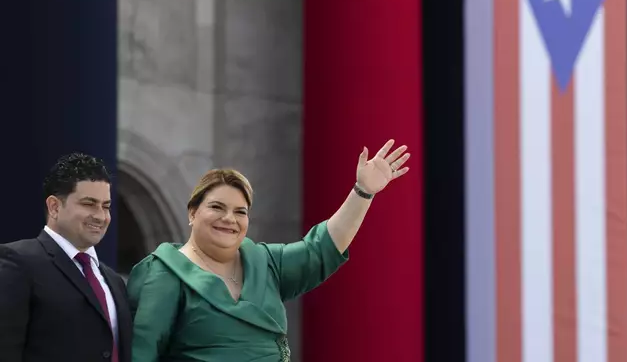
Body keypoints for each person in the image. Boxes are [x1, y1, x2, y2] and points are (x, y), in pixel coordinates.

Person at [127, 139, 411, 362]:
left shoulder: (264, 261)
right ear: (192, 212)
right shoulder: (163, 272)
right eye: (217, 207)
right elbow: (141, 353)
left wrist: (362, 191)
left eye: (240, 211)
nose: (229, 219)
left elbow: (322, 248)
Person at [0, 153, 132, 362]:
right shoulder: (18, 262)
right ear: (54, 207)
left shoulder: (114, 281)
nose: (100, 216)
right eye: (89, 203)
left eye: (105, 206)